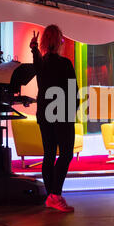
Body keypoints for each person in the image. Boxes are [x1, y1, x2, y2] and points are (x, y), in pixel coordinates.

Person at [30, 25, 79, 213]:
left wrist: (34, 49)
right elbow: (72, 91)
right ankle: (55, 195)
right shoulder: (65, 63)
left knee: (49, 154)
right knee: (66, 154)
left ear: (43, 42)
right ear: (59, 41)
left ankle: (52, 196)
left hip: (44, 112)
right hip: (62, 113)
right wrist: (72, 113)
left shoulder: (40, 62)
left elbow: (40, 74)